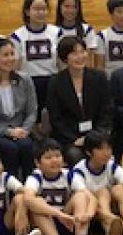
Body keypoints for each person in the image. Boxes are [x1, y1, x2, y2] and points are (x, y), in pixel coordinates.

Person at [23, 138, 94, 235]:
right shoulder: (36, 177)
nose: (55, 160)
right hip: (46, 226)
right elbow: (28, 199)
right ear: (37, 163)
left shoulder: (69, 174)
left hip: (68, 223)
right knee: (36, 202)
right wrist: (58, 214)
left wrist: (88, 214)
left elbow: (90, 197)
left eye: (57, 156)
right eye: (48, 157)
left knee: (81, 195)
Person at [69, 131, 123, 235]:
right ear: (88, 152)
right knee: (102, 193)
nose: (106, 153)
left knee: (119, 189)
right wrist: (110, 217)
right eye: (101, 149)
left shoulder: (112, 166)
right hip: (88, 213)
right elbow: (87, 200)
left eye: (109, 148)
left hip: (112, 212)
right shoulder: (78, 171)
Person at [0, 37, 38, 180]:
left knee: (27, 146)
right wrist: (8, 131)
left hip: (22, 129)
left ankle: (30, 186)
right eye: (5, 55)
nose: (10, 59)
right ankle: (9, 189)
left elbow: (32, 110)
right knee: (10, 148)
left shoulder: (24, 79)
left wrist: (25, 130)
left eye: (12, 54)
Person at [46, 36, 114, 165]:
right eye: (74, 53)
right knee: (75, 155)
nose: (80, 57)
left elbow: (107, 110)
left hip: (97, 135)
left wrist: (93, 137)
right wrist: (75, 139)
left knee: (103, 152)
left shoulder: (99, 77)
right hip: (69, 138)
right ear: (65, 57)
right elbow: (56, 118)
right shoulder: (56, 82)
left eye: (82, 52)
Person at [11, 0, 62, 103]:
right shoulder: (17, 36)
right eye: (36, 9)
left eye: (44, 9)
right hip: (28, 83)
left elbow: (61, 62)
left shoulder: (56, 32)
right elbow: (15, 66)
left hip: (52, 81)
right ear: (27, 11)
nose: (41, 12)